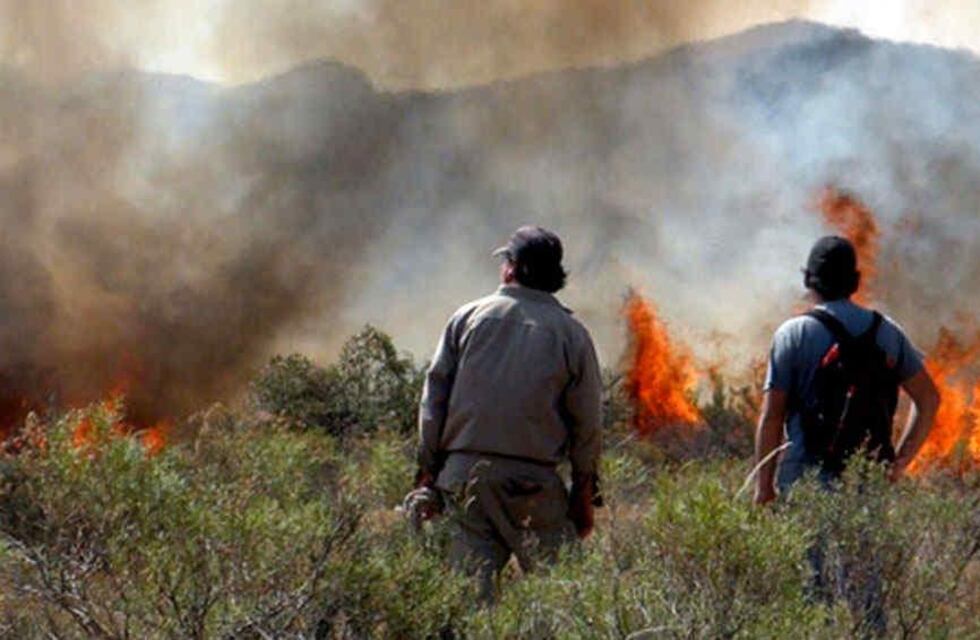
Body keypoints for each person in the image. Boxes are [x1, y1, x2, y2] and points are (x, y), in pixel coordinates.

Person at [754, 235, 940, 633]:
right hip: (866, 480)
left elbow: (771, 418)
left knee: (809, 593)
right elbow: (929, 399)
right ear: (855, 281)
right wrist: (899, 463)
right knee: (867, 594)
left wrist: (763, 486)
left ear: (809, 280)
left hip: (805, 479)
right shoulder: (886, 332)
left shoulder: (792, 334)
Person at [411, 225, 603, 602]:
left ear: (511, 268)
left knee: (464, 603)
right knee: (565, 603)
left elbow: (433, 403)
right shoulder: (572, 334)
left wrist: (427, 471)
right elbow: (588, 423)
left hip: (465, 481)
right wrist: (583, 491)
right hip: (534, 488)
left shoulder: (467, 318)